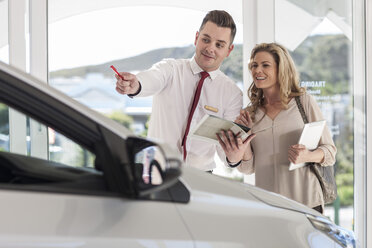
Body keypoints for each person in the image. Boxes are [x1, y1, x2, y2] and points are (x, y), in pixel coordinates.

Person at [115, 10, 243, 171]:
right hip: (157, 169)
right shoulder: (170, 69)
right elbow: (151, 79)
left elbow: (226, 152)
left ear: (229, 50)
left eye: (219, 45)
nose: (210, 48)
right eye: (206, 39)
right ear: (197, 38)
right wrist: (135, 84)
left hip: (203, 177)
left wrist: (234, 156)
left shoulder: (232, 94)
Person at [217, 43, 336, 213]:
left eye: (265, 65)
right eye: (254, 65)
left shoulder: (304, 102)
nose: (258, 70)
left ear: (281, 69)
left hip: (307, 200)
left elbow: (330, 152)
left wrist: (307, 155)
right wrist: (242, 145)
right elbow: (248, 167)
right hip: (269, 205)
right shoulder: (249, 113)